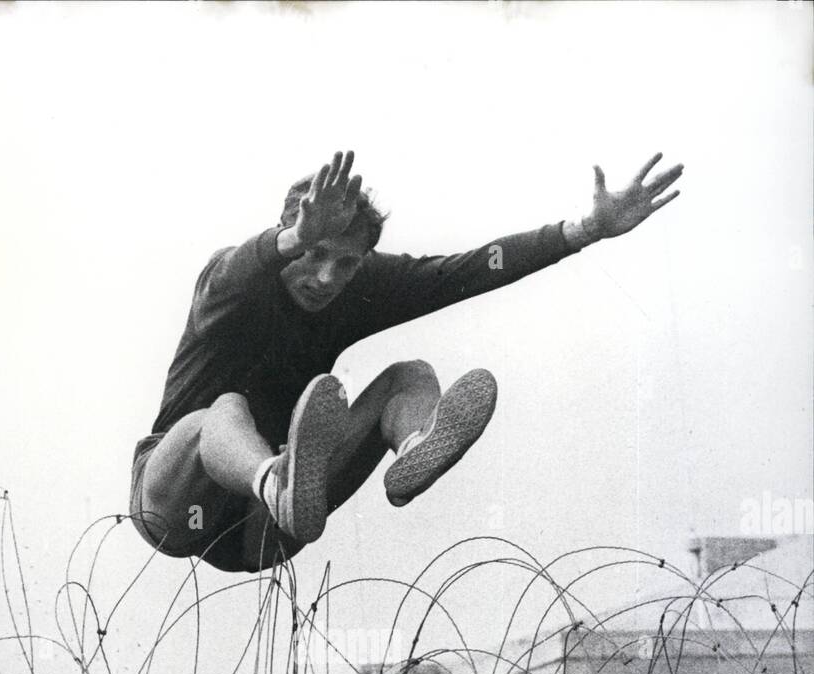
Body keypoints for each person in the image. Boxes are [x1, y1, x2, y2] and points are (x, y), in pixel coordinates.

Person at [131, 149, 683, 572]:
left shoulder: (357, 288)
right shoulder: (235, 283)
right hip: (177, 510)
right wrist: (295, 234)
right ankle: (273, 478)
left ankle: (415, 450)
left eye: (347, 264)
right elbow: (231, 273)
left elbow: (466, 271)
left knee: (410, 377)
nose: (328, 279)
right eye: (314, 255)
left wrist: (584, 230)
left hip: (260, 536)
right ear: (289, 240)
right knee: (225, 408)